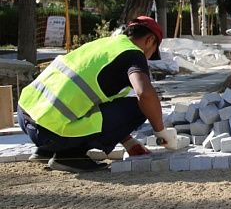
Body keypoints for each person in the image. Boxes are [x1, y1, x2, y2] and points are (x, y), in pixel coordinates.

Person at [17, 16, 177, 173]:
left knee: (122, 102)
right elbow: (145, 94)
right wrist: (161, 132)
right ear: (149, 40)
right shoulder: (133, 53)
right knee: (140, 107)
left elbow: (99, 101)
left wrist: (127, 141)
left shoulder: (104, 45)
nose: (148, 58)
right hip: (50, 130)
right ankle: (68, 155)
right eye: (152, 53)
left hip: (26, 115)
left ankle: (46, 150)